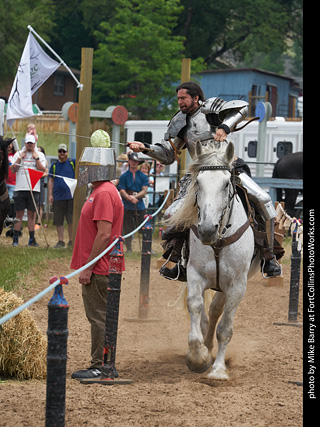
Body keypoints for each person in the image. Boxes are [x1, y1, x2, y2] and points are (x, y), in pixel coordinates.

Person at [128, 81, 282, 279]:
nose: (180, 102)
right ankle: (180, 261)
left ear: (196, 98)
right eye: (178, 99)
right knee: (172, 214)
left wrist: (225, 127)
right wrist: (145, 148)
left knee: (263, 199)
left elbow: (243, 108)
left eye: (183, 98)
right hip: (199, 173)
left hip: (228, 167)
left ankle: (269, 257)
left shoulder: (211, 108)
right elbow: (168, 155)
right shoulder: (179, 121)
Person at [70, 145, 124, 380]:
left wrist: (89, 267)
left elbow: (104, 234)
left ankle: (100, 365)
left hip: (100, 268)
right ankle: (102, 363)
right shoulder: (103, 190)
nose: (85, 171)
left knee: (99, 317)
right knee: (100, 316)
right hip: (101, 266)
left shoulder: (103, 192)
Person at [10, 134, 46, 247]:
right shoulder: (18, 153)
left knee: (31, 214)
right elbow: (12, 170)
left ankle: (31, 239)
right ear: (25, 143)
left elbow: (43, 170)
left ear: (34, 144)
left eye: (31, 144)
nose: (30, 146)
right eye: (28, 143)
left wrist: (36, 159)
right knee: (19, 214)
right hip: (20, 188)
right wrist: (20, 158)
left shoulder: (39, 154)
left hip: (33, 188)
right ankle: (15, 239)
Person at [118, 152, 149, 253]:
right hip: (127, 204)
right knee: (127, 227)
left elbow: (144, 190)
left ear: (138, 162)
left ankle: (146, 247)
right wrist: (129, 198)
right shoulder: (124, 176)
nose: (134, 163)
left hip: (139, 204)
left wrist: (135, 197)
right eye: (132, 160)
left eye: (135, 161)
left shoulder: (143, 177)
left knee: (144, 226)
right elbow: (122, 190)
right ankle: (129, 248)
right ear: (129, 161)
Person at [48, 144, 75, 248]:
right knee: (58, 220)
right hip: (58, 197)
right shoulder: (54, 166)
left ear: (67, 152)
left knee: (70, 220)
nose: (62, 154)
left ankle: (71, 240)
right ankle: (60, 241)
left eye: (64, 151)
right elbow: (51, 180)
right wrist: (50, 194)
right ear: (58, 153)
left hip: (70, 196)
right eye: (60, 151)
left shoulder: (72, 163)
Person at [35, 146, 48, 228]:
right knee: (33, 204)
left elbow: (46, 173)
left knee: (40, 204)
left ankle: (38, 223)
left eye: (40, 152)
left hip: (40, 183)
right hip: (33, 183)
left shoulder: (45, 162)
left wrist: (36, 175)